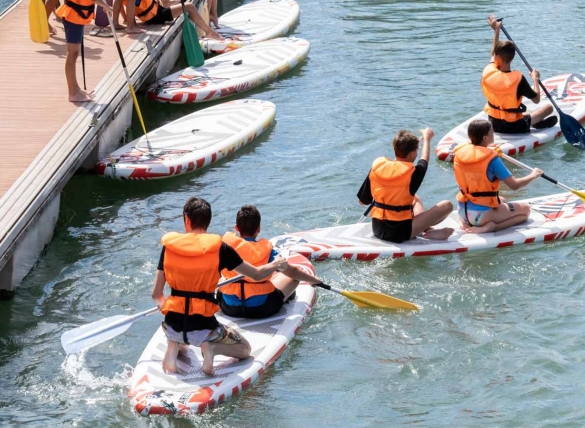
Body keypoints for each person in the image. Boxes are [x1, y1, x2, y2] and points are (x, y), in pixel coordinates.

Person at [152, 197, 320, 376]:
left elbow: (156, 294)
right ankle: (212, 347)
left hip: (172, 324)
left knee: (179, 330)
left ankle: (173, 344)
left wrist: (167, 307)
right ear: (209, 221)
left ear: (186, 219)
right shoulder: (220, 249)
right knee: (245, 349)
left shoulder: (168, 247)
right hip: (204, 326)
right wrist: (274, 265)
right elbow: (256, 274)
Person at [217, 205, 322, 319]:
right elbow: (293, 271)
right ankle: (287, 297)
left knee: (222, 277)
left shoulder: (224, 248)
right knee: (292, 277)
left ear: (236, 227)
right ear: (258, 229)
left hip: (229, 308)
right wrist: (314, 280)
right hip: (263, 308)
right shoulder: (267, 251)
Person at [358, 128, 453, 243]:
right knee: (447, 206)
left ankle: (428, 231)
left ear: (395, 150)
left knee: (415, 199)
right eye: (416, 151)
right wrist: (427, 138)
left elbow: (362, 202)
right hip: (400, 233)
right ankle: (426, 232)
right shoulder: (412, 173)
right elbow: (424, 160)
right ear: (413, 153)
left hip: (377, 229)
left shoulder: (378, 166)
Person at [454, 119, 544, 233]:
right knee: (525, 211)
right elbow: (514, 186)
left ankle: (465, 222)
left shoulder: (459, 154)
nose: (494, 133)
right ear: (485, 138)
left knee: (502, 200)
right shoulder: (492, 159)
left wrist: (486, 148)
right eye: (491, 132)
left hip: (463, 211)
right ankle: (492, 226)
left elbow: (476, 150)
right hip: (481, 216)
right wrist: (533, 175)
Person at [54, 0, 113, 103]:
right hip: (74, 16)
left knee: (73, 53)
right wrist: (107, 6)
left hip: (71, 12)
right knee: (72, 54)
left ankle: (77, 89)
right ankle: (73, 92)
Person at [483, 14, 556, 135]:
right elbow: (536, 99)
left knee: (523, 112)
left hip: (493, 123)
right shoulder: (518, 79)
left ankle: (533, 121)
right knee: (548, 108)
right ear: (512, 57)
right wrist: (535, 79)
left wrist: (496, 30)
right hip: (515, 126)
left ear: (498, 57)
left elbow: (493, 54)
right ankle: (533, 122)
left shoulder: (488, 71)